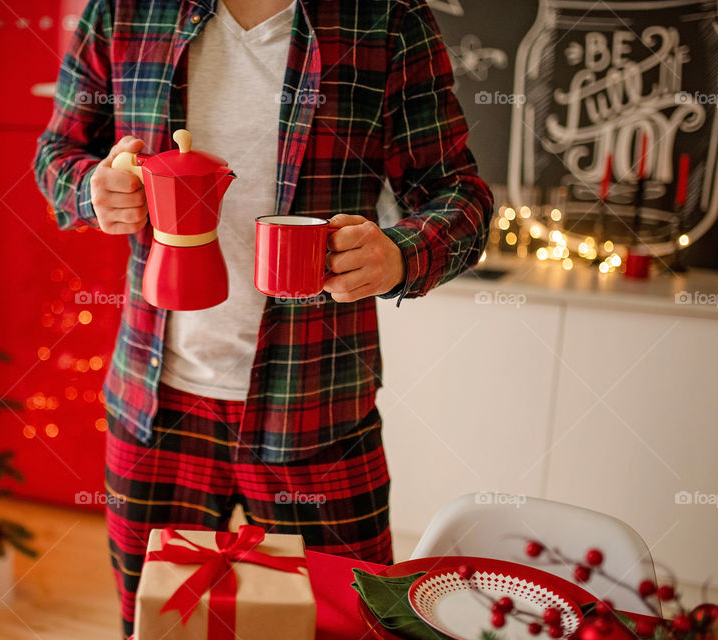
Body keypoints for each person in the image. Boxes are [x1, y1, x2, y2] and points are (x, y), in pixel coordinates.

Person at [34, 0, 493, 635]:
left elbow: (458, 191)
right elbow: (58, 150)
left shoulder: (386, 15)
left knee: (350, 627)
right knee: (160, 629)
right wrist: (90, 188)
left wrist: (399, 253)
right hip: (155, 404)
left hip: (318, 406)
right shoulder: (123, 8)